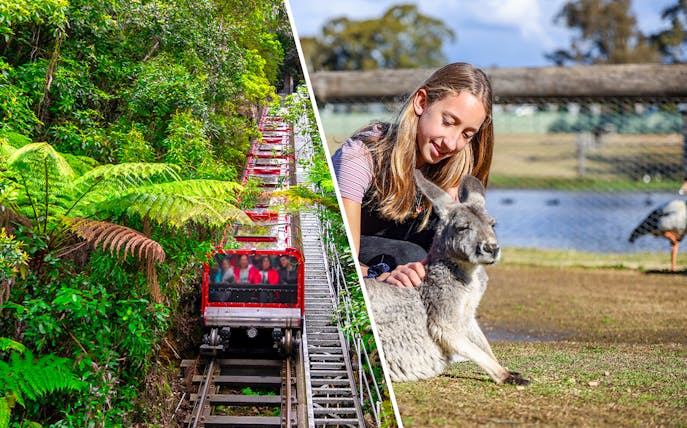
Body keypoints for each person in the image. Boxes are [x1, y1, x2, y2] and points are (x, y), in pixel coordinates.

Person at [331, 62, 494, 287]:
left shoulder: (457, 168)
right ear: (421, 102)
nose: (452, 143)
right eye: (447, 122)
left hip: (413, 267)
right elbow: (340, 259)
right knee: (410, 254)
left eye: (466, 134)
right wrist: (381, 275)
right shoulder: (360, 157)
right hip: (363, 265)